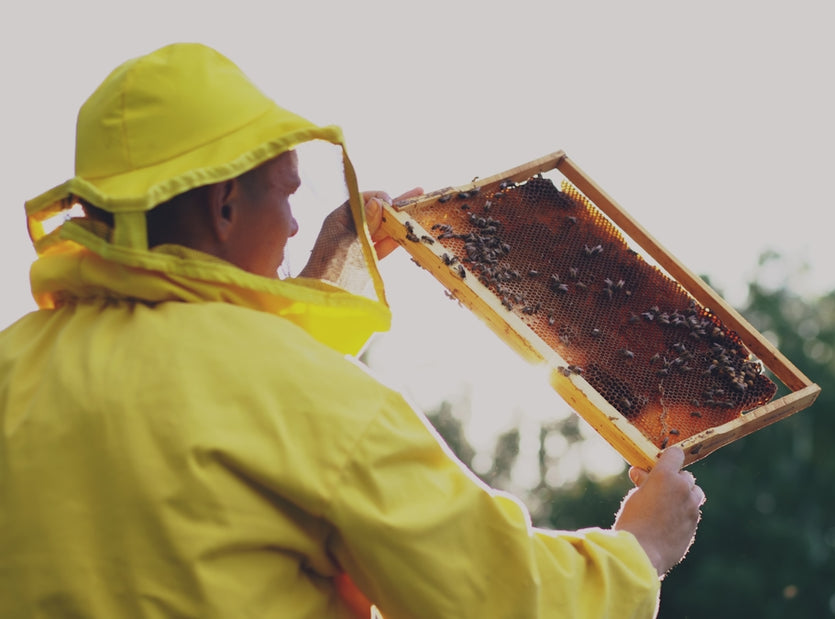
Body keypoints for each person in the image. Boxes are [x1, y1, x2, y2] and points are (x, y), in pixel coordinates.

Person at [0, 43, 704, 618]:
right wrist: (639, 548)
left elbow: (212, 401)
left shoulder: (14, 367)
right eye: (288, 194)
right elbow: (495, 595)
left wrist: (329, 269)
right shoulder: (309, 396)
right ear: (223, 205)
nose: (297, 224)